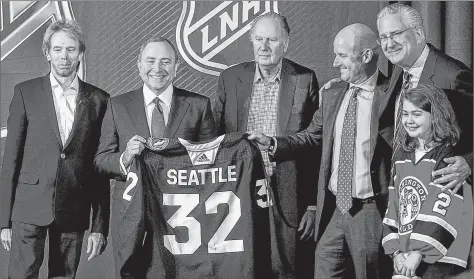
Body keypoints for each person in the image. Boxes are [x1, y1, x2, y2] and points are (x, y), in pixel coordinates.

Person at [249, 23, 393, 279]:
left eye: (343, 55)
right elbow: (310, 137)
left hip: (370, 211)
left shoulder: (392, 97)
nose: (335, 62)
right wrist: (272, 143)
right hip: (335, 209)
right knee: (324, 270)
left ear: (367, 56)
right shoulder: (333, 92)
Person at [94, 37, 216, 278]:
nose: (157, 69)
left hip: (182, 215)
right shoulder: (117, 105)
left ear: (176, 67)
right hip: (130, 214)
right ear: (139, 65)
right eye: (150, 61)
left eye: (165, 62)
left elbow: (212, 162)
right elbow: (101, 161)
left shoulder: (199, 105)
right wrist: (126, 156)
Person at [0, 20, 110, 278]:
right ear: (47, 53)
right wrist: (3, 220)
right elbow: (10, 161)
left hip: (74, 207)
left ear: (81, 53)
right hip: (27, 208)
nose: (64, 56)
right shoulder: (25, 93)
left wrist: (99, 225)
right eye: (58, 49)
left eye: (71, 49)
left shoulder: (99, 100)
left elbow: (100, 167)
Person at [213, 12, 319, 278]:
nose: (264, 47)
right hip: (240, 189)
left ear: (286, 43)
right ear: (251, 40)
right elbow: (216, 137)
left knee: (286, 268)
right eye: (258, 39)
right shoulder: (230, 79)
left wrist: (312, 204)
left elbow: (314, 146)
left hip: (287, 191)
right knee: (244, 268)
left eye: (272, 39)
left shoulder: (304, 79)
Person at [376, 3, 473, 193]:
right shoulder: (399, 69)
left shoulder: (453, 76)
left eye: (396, 34)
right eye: (383, 37)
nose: (389, 44)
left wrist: (469, 163)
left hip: (442, 196)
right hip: (405, 192)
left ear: (418, 33)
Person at [382, 84, 473, 278]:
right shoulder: (402, 154)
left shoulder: (447, 157)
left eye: (417, 114)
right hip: (408, 255)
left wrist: (418, 252)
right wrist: (396, 251)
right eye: (405, 114)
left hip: (440, 257)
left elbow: (443, 208)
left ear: (436, 116)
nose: (409, 120)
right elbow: (394, 206)